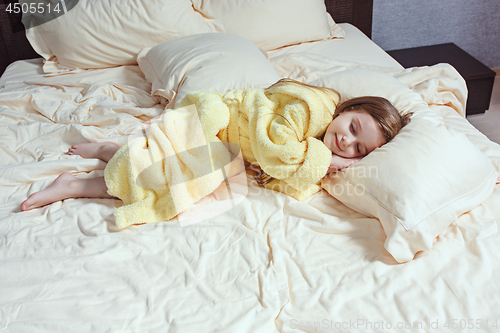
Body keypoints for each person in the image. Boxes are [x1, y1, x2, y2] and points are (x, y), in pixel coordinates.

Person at [20, 79, 411, 221]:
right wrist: (330, 161)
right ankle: (74, 184)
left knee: (171, 176)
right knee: (163, 174)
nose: (347, 141)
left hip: (224, 145)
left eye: (359, 149)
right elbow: (277, 150)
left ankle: (108, 149)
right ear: (347, 109)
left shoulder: (316, 143)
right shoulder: (308, 109)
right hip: (215, 115)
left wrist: (320, 171)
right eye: (353, 127)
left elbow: (284, 178)